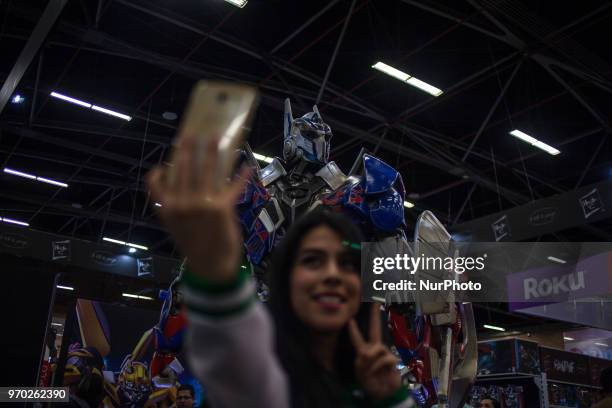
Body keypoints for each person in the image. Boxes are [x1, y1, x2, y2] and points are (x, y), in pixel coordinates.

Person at [147, 136, 415, 407]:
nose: (318, 142)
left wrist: (408, 360)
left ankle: (411, 355)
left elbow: (392, 259)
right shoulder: (252, 188)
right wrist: (167, 355)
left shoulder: (349, 191)